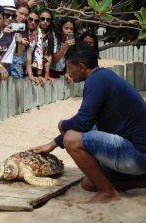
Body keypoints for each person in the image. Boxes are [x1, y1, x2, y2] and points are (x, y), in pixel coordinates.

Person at [30, 43, 146, 203]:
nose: (68, 72)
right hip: (139, 155)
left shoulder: (96, 81)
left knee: (71, 138)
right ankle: (140, 181)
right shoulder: (104, 76)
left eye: (69, 68)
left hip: (137, 154)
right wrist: (53, 144)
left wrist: (63, 124)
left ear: (81, 67)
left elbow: (83, 123)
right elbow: (92, 123)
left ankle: (108, 193)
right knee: (89, 183)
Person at [50, 16, 76, 80]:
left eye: (71, 29)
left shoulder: (71, 40)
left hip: (62, 72)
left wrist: (67, 72)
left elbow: (69, 58)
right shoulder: (55, 39)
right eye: (66, 28)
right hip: (51, 71)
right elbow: (56, 60)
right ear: (61, 28)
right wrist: (65, 46)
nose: (69, 31)